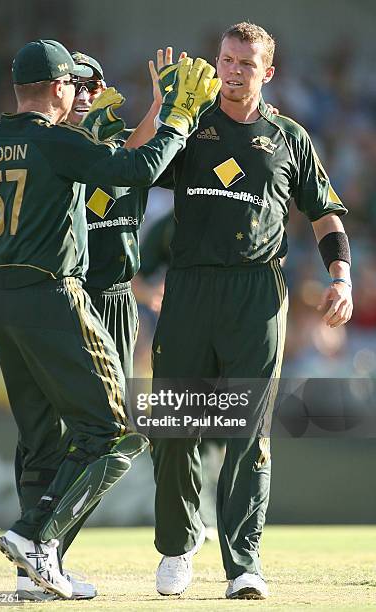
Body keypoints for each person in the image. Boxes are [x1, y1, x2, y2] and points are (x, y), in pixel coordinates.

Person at [0, 38, 220, 599]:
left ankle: (34, 573)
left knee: (41, 441)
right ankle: (38, 540)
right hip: (54, 298)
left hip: (5, 301)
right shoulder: (56, 140)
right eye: (75, 86)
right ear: (60, 88)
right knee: (117, 432)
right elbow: (136, 167)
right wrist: (177, 117)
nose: (80, 95)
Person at [149, 22, 353, 600]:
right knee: (174, 422)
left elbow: (326, 213)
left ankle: (243, 563)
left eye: (244, 62)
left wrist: (341, 277)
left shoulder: (289, 137)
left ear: (268, 72)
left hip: (257, 293)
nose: (232, 70)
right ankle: (178, 545)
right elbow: (138, 169)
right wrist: (165, 111)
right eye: (225, 59)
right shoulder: (190, 124)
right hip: (189, 289)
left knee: (248, 430)